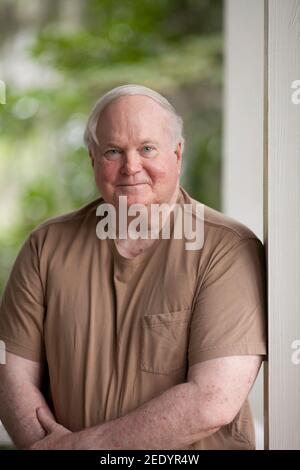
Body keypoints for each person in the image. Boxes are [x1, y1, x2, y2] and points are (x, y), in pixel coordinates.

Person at [0, 84, 267, 450]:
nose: (131, 167)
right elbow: (9, 373)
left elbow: (212, 400)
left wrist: (81, 448)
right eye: (113, 151)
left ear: (177, 153)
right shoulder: (45, 247)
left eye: (147, 149)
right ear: (93, 159)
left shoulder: (228, 249)